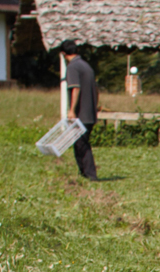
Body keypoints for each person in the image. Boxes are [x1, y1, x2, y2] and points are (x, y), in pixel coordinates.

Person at [61, 40, 99, 181]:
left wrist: (72, 110)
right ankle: (85, 174)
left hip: (81, 113)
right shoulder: (86, 66)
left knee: (81, 144)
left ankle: (90, 175)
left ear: (64, 54)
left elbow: (75, 88)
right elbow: (96, 89)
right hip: (90, 112)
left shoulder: (73, 67)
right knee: (81, 142)